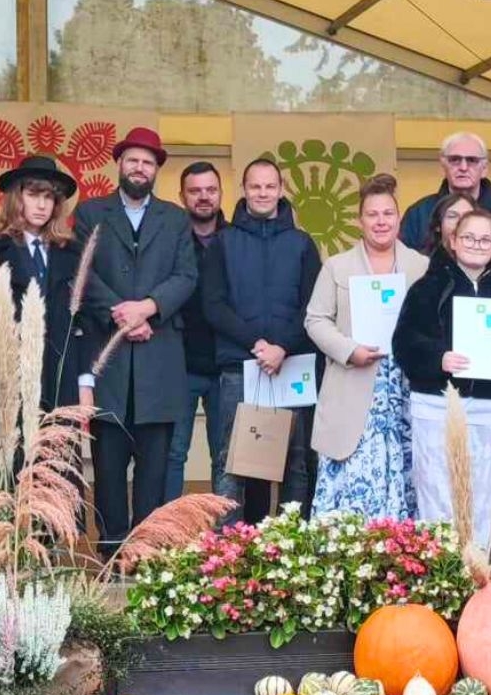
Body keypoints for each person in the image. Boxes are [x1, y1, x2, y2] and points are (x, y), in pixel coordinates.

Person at [77, 127, 198, 557]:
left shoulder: (175, 218)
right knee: (108, 467)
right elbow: (83, 275)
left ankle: (147, 553)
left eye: (148, 162)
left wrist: (148, 308)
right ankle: (111, 553)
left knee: (154, 469)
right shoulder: (91, 213)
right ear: (119, 163)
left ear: (156, 169)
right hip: (107, 361)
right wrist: (123, 315)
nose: (139, 168)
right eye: (133, 160)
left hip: (158, 361)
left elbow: (186, 276)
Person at [393, 206, 491, 543]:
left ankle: (475, 566)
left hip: (489, 405)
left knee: (481, 495)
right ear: (452, 241)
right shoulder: (426, 289)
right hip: (437, 403)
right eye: (469, 237)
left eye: (485, 239)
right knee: (436, 491)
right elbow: (404, 344)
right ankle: (439, 567)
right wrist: (438, 358)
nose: (476, 245)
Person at [201, 158, 323, 524]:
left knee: (295, 462)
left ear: (282, 190)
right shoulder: (223, 242)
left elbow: (313, 305)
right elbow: (213, 305)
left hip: (292, 365)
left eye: (270, 186)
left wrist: (282, 347)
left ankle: (290, 544)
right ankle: (229, 546)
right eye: (255, 186)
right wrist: (258, 345)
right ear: (244, 189)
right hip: (240, 366)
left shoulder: (302, 244)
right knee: (233, 460)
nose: (263, 193)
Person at [307, 175, 429, 520]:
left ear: (399, 218)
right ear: (359, 220)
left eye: (388, 213)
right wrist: (349, 350)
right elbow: (315, 320)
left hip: (406, 389)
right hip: (354, 385)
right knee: (350, 488)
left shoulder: (421, 266)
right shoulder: (337, 266)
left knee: (409, 480)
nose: (381, 221)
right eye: (372, 214)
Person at [0, 154, 82, 411]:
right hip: (13, 371)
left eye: (48, 197)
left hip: (60, 374)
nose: (41, 205)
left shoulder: (72, 251)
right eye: (33, 195)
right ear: (17, 198)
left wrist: (85, 378)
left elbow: (83, 320)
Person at [165, 162, 225, 500]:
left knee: (226, 458)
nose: (204, 197)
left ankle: (227, 529)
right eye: (195, 191)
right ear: (182, 196)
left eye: (210, 190)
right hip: (178, 364)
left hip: (226, 366)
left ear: (220, 194)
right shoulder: (170, 240)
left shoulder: (235, 239)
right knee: (173, 455)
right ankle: (170, 528)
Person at [399, 132, 491, 250]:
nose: (463, 167)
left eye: (472, 160)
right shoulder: (418, 214)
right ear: (443, 166)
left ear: (484, 168)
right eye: (455, 160)